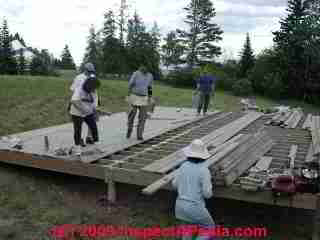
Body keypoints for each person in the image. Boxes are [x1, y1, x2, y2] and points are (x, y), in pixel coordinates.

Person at [172, 139, 216, 240]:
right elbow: (207, 194)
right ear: (203, 156)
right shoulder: (204, 170)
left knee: (187, 230)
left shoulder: (183, 166)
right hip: (195, 207)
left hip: (179, 206)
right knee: (209, 228)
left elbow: (174, 185)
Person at [69, 68, 100, 156]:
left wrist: (94, 110)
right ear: (87, 86)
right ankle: (77, 149)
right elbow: (74, 101)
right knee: (78, 129)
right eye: (92, 89)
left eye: (94, 89)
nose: (93, 90)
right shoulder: (79, 89)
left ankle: (96, 146)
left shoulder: (94, 91)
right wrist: (83, 109)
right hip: (76, 112)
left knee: (93, 126)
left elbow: (94, 104)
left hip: (87, 112)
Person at [126, 65, 153, 141]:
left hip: (144, 98)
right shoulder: (136, 74)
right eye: (143, 68)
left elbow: (150, 87)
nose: (145, 69)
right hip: (134, 96)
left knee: (143, 117)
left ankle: (139, 135)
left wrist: (150, 97)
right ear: (141, 67)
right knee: (132, 115)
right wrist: (128, 95)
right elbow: (130, 84)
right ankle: (129, 129)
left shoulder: (150, 76)